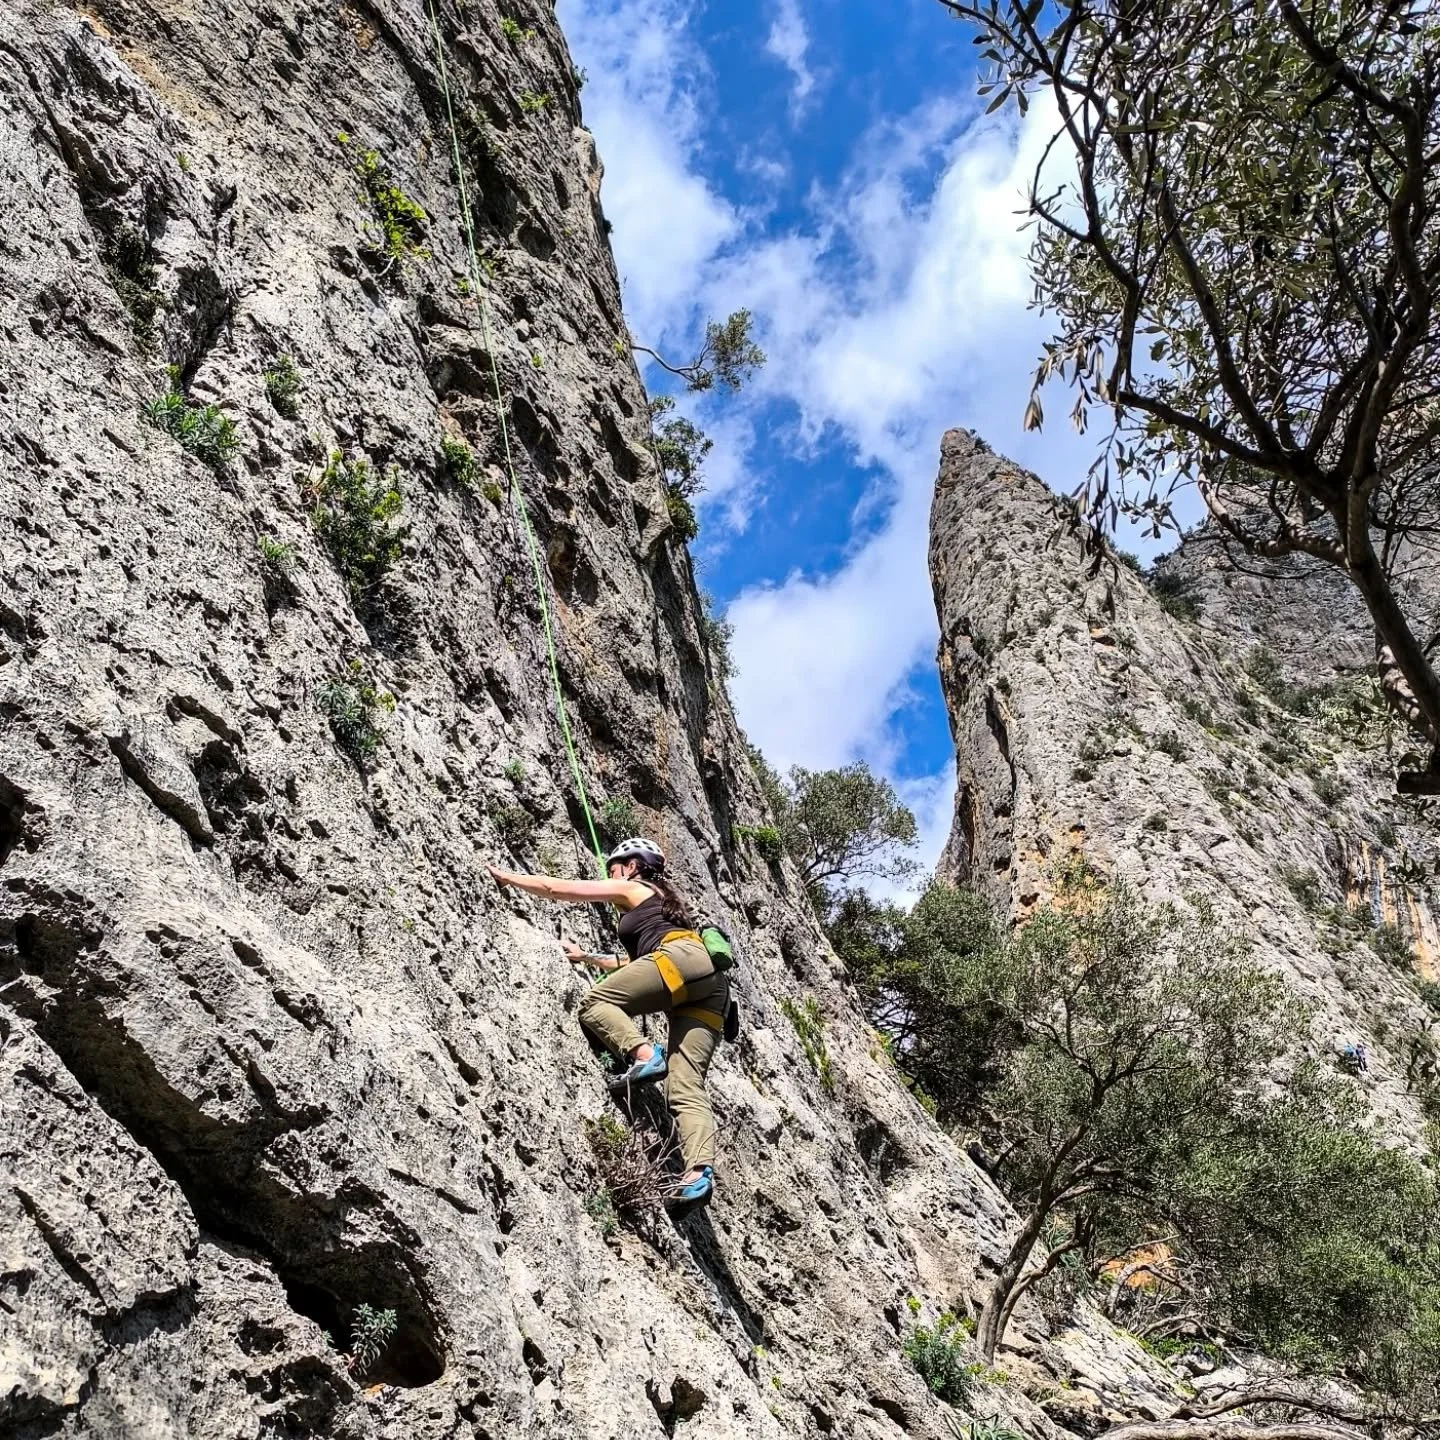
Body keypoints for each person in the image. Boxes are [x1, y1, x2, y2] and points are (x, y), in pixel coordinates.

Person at [486, 836, 727, 1210]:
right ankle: (697, 1176)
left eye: (613, 867)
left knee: (595, 1003)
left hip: (678, 962)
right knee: (687, 1085)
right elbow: (644, 966)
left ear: (631, 866)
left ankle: (645, 1054)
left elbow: (560, 888)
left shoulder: (632, 886)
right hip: (710, 987)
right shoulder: (667, 907)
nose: (609, 874)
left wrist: (507, 878)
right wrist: (587, 957)